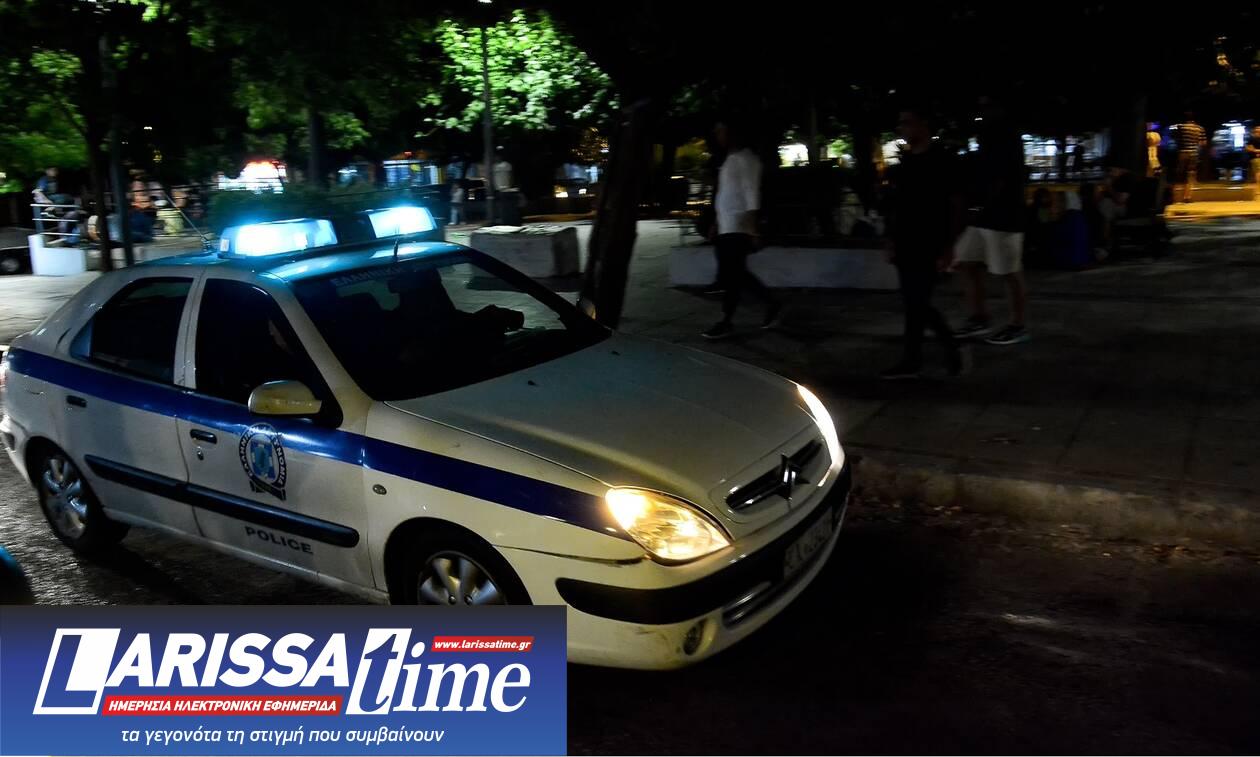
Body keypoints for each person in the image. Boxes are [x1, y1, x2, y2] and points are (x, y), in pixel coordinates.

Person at [879, 105, 963, 379]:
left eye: (907, 122)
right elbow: (896, 206)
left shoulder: (942, 161)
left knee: (917, 301)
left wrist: (949, 245)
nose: (902, 128)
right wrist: (890, 239)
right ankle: (920, 356)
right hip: (905, 240)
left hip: (929, 241)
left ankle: (929, 353)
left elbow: (955, 204)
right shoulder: (905, 164)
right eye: (901, 123)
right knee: (914, 302)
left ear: (922, 125)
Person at [954, 98, 1030, 345]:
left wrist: (977, 205)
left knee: (1009, 270)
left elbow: (1001, 177)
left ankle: (1017, 325)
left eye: (987, 106)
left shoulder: (1006, 135)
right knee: (965, 261)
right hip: (985, 214)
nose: (982, 110)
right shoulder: (988, 133)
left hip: (1004, 215)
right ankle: (979, 317)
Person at [701, 120, 779, 339]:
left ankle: (728, 320)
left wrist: (753, 230)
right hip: (727, 226)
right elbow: (727, 194)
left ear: (733, 133)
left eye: (721, 131)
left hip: (739, 225)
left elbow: (751, 194)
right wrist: (717, 223)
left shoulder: (747, 159)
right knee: (735, 274)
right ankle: (770, 304)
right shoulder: (732, 159)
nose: (717, 135)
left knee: (733, 274)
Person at [1173, 111, 1206, 203]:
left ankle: (1174, 196)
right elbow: (1203, 143)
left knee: (1179, 174)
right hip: (1193, 153)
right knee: (1190, 174)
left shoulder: (1180, 127)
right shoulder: (1199, 128)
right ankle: (1187, 197)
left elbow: (1176, 139)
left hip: (1182, 153)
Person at [1246, 125, 1260, 189]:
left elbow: (1249, 148)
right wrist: (1256, 151)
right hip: (1255, 158)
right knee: (1258, 173)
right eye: (1257, 131)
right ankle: (1258, 188)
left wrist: (1256, 150)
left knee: (1257, 173)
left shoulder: (1251, 139)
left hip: (1255, 158)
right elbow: (1248, 148)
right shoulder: (1251, 139)